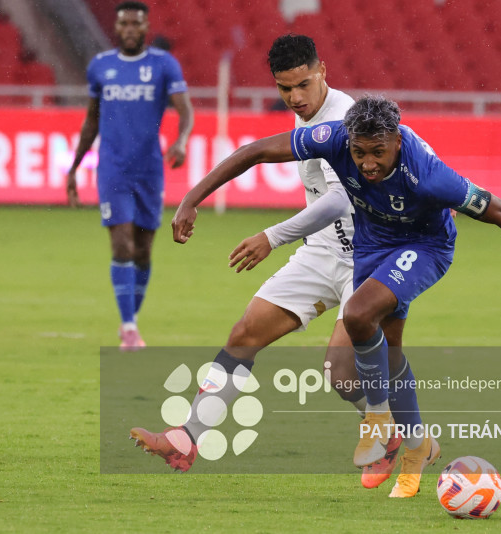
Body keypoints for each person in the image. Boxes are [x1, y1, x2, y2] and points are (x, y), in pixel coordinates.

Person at [165, 95, 501, 494]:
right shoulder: (334, 138)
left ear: (397, 141)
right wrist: (191, 199)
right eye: (359, 153)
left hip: (425, 246)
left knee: (358, 313)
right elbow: (255, 151)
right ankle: (418, 445)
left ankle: (379, 422)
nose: (367, 164)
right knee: (379, 356)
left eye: (378, 153)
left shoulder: (431, 177)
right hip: (374, 243)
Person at [131, 34, 413, 493]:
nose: (295, 97)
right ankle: (186, 439)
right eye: (285, 88)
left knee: (341, 374)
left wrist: (272, 236)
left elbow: (341, 200)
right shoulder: (307, 115)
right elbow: (253, 152)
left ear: (323, 70)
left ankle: (390, 432)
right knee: (245, 333)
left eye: (303, 84)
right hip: (323, 252)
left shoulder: (345, 119)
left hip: (370, 260)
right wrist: (191, 198)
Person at [66, 1, 194, 350]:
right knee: (121, 243)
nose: (130, 30)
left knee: (143, 251)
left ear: (146, 26)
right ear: (117, 27)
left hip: (149, 169)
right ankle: (129, 328)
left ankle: (130, 322)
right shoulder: (101, 66)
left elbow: (185, 109)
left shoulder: (163, 65)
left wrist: (182, 140)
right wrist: (75, 167)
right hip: (113, 169)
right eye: (124, 24)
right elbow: (92, 120)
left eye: (136, 24)